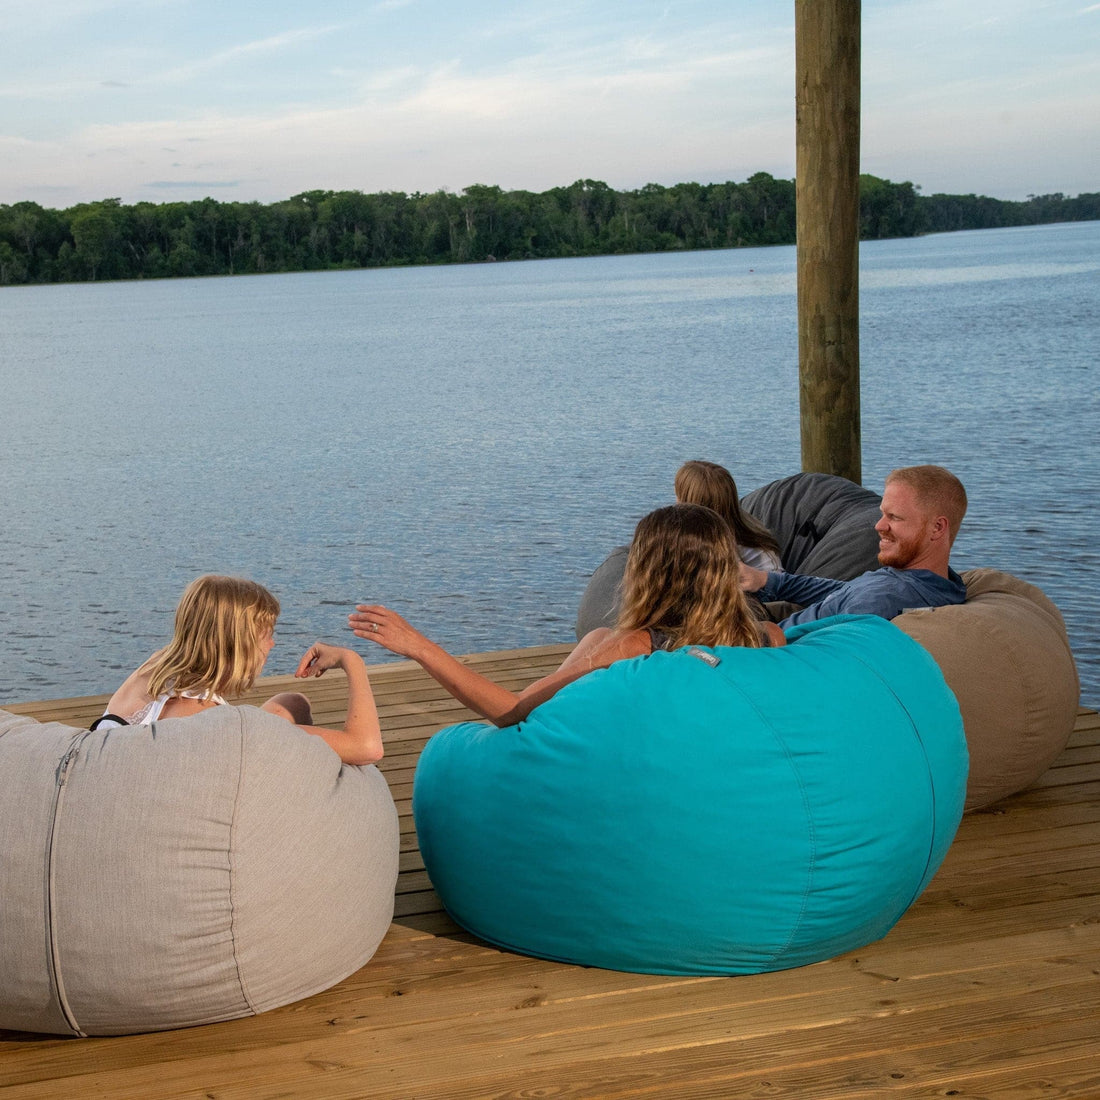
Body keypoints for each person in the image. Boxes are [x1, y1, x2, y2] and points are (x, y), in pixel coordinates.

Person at [349, 504, 785, 728]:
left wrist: (416, 645)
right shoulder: (767, 637)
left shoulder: (638, 646)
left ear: (651, 572)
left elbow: (511, 713)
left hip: (638, 775)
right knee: (597, 633)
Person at [99, 574, 383, 765]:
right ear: (240, 644)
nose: (272, 644)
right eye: (266, 634)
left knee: (292, 703)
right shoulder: (217, 725)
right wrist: (351, 661)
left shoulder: (152, 669)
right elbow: (367, 747)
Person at [739, 465, 969, 627]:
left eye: (894, 517)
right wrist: (766, 580)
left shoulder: (884, 599)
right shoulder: (941, 584)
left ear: (937, 528)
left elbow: (796, 651)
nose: (879, 525)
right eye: (882, 514)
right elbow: (843, 591)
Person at [674, 459, 782, 571]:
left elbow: (776, 583)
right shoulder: (750, 532)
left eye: (678, 495)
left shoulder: (753, 551)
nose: (676, 502)